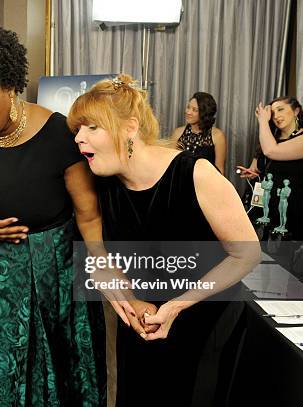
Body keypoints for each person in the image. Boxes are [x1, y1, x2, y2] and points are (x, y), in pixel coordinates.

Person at [68, 74, 260, 406]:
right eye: (77, 130)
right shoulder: (103, 182)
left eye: (92, 128)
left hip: (205, 321)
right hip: (145, 322)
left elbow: (246, 254)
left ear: (130, 127)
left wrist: (178, 305)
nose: (79, 138)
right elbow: (101, 253)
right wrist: (121, 288)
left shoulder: (196, 173)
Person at [0, 24, 106, 405]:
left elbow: (89, 215)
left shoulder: (58, 135)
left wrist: (103, 271)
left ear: (9, 84)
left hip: (51, 280)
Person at [239, 97, 303, 240]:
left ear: (296, 111)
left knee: (281, 258)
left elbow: (271, 151)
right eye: (272, 113)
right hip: (261, 206)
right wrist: (252, 173)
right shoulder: (269, 138)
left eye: (281, 109)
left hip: (288, 210)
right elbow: (257, 168)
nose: (276, 116)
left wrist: (263, 121)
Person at [171, 92, 227, 174]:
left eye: (195, 110)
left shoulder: (217, 136)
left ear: (205, 113)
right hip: (180, 183)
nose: (188, 112)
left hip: (205, 184)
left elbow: (219, 170)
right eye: (188, 107)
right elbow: (171, 164)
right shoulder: (177, 133)